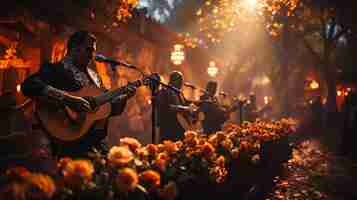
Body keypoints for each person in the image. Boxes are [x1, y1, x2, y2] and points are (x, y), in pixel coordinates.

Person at [21, 31, 136, 158]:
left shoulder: (95, 77)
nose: (92, 54)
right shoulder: (56, 69)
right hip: (68, 143)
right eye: (88, 49)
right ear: (74, 48)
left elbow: (104, 110)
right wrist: (68, 99)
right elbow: (29, 85)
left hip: (95, 145)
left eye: (93, 50)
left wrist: (124, 97)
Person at [156, 71, 194, 142]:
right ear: (173, 80)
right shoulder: (164, 91)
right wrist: (185, 109)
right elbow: (166, 107)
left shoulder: (179, 93)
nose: (181, 83)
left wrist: (195, 105)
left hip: (180, 126)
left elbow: (185, 102)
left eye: (181, 81)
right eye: (179, 81)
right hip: (169, 126)